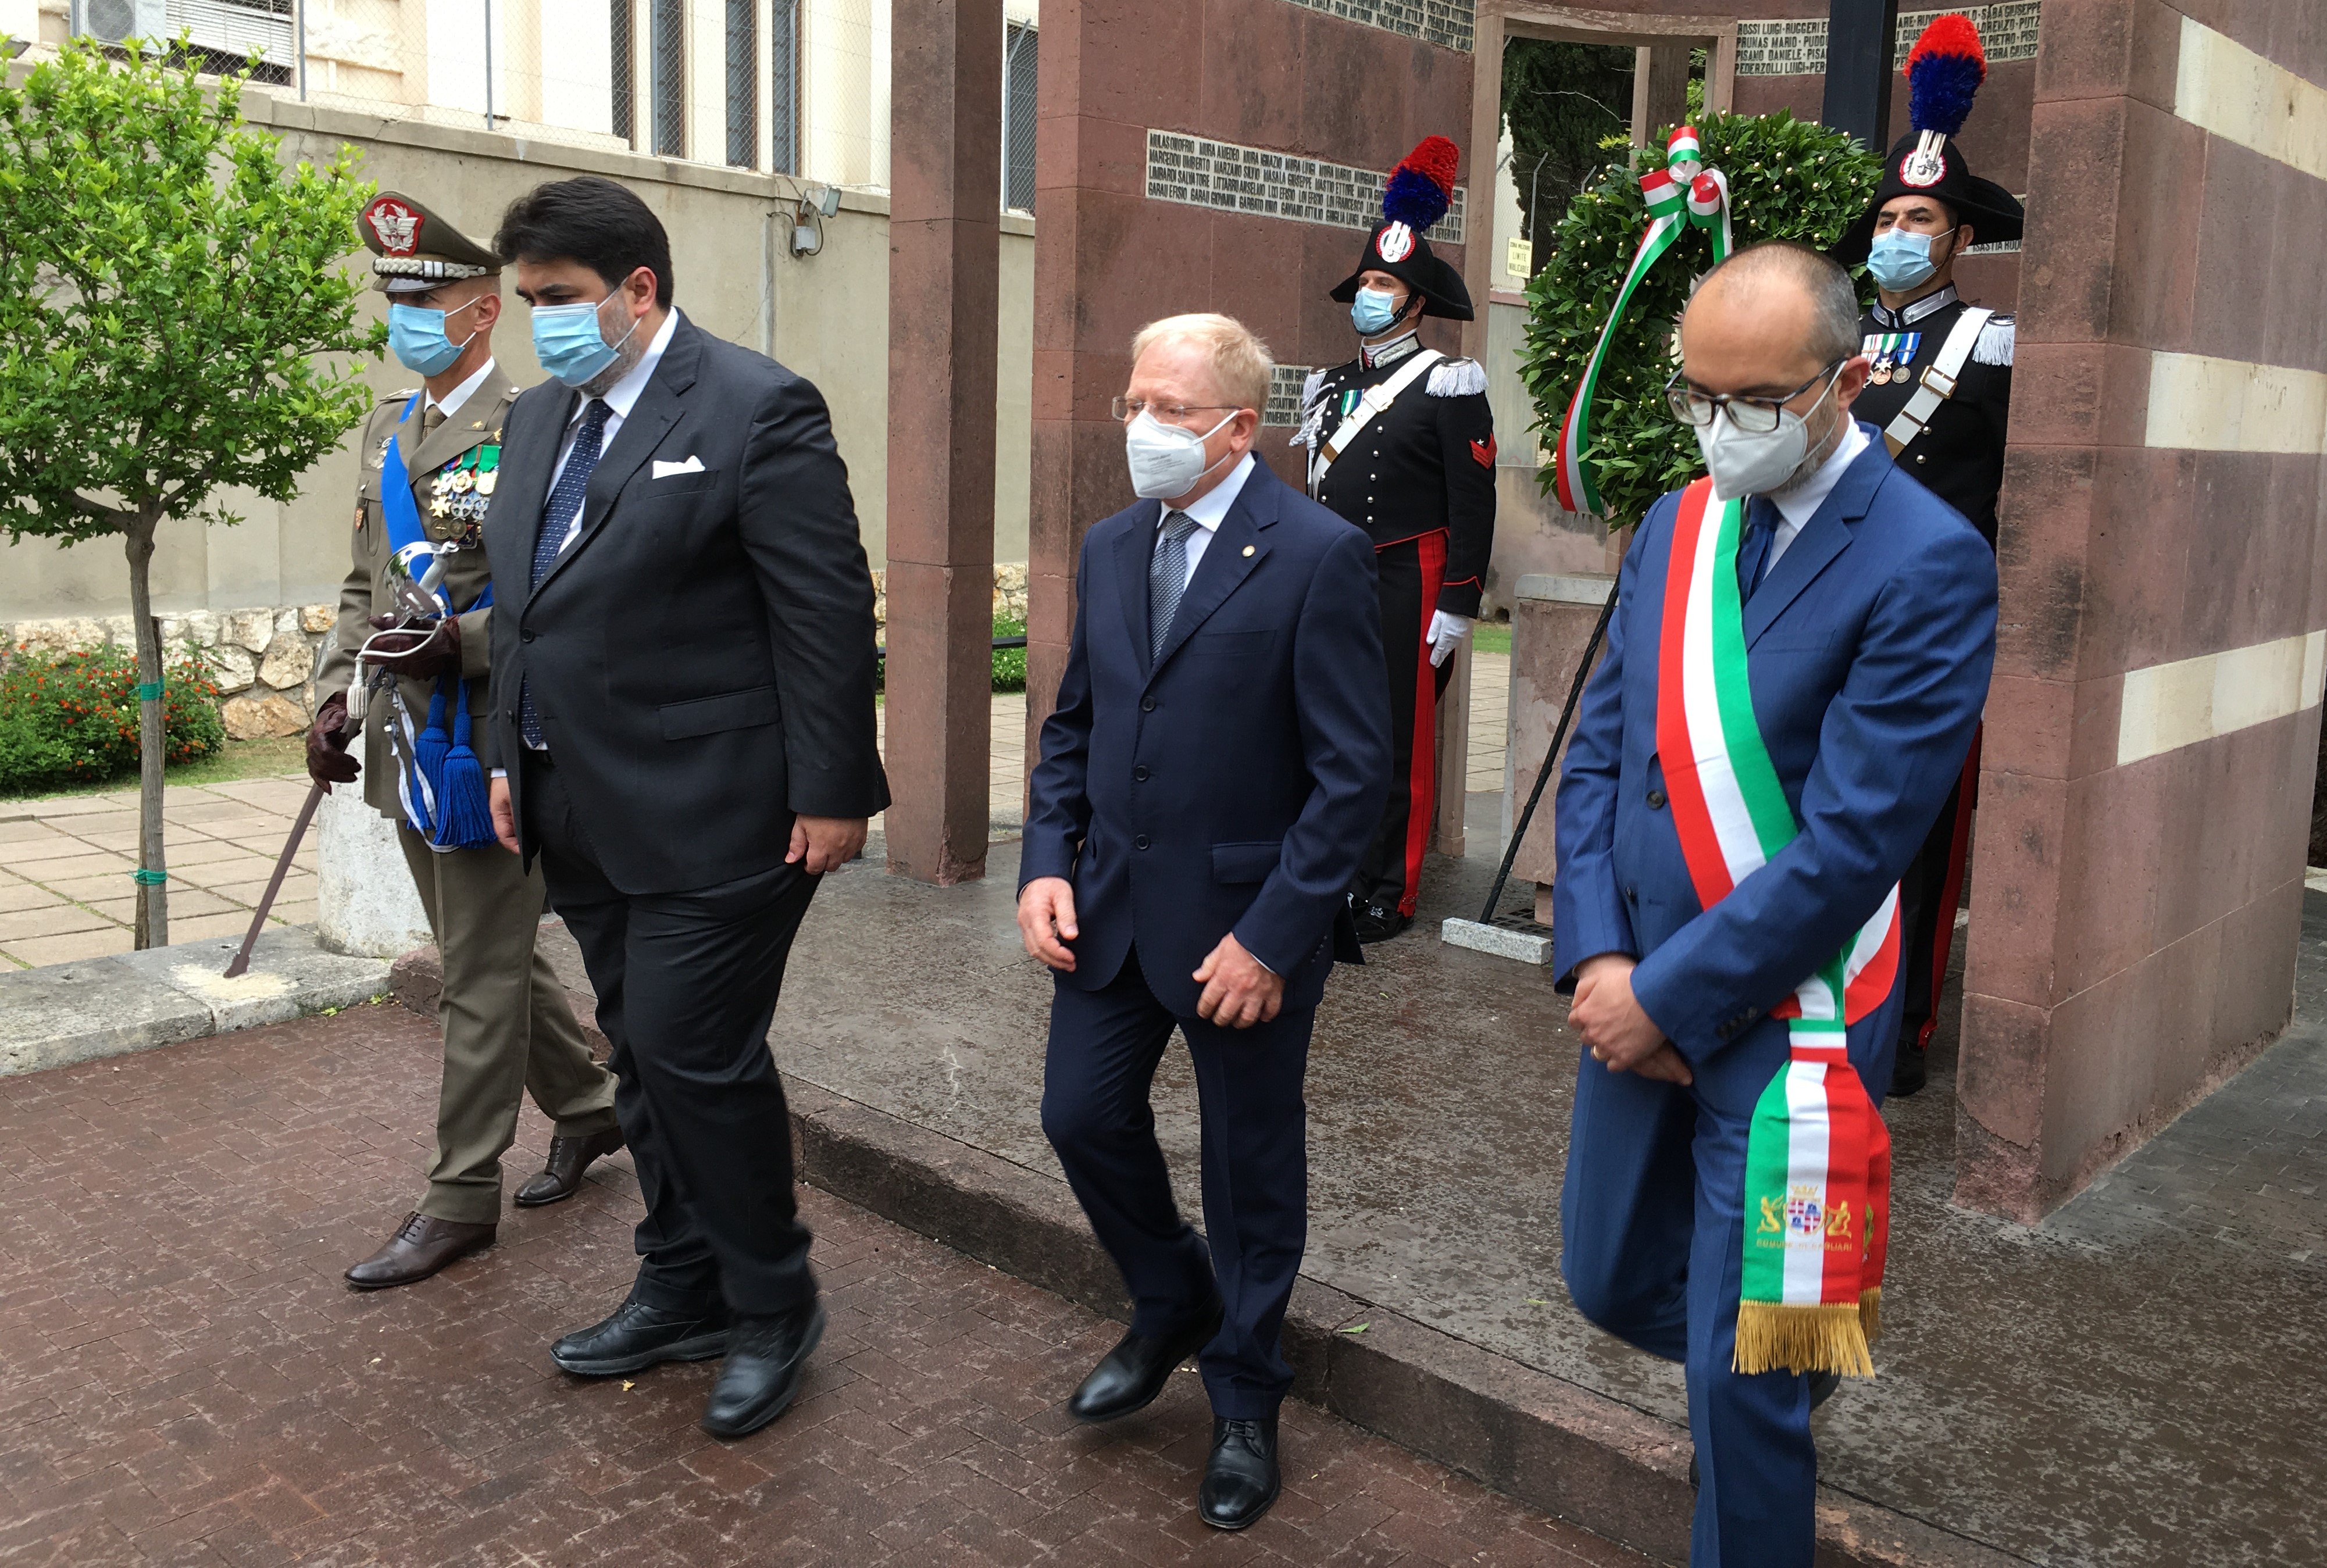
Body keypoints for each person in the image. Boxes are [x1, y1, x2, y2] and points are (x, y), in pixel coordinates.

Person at [1551, 242, 1996, 1566]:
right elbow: (1600, 748)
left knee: (1747, 1374)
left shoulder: (1929, 560)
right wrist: (1597, 957)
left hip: (1793, 1027)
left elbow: (1857, 843)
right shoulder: (1682, 525)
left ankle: (1755, 1438)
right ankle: (1766, 1377)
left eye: (1753, 399)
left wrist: (1672, 994)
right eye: (1696, 395)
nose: (1717, 426)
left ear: (1845, 382)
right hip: (1630, 995)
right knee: (1608, 1273)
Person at [479, 176, 888, 1440]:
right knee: (643, 1053)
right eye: (524, 300)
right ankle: (681, 1281)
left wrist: (834, 791)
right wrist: (509, 754)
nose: (535, 321)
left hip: (729, 809)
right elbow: (526, 606)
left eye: (558, 299)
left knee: (691, 1050)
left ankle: (775, 1302)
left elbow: (823, 614)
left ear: (639, 290)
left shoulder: (757, 406)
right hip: (579, 803)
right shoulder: (546, 416)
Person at [1021, 313, 1390, 1530]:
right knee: (1077, 1111)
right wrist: (1042, 863)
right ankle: (1173, 1295)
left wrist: (1275, 933)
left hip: (1246, 931)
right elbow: (1073, 724)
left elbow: (1354, 777)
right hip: (1116, 907)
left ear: (1240, 428)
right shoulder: (1112, 543)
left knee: (1248, 1170)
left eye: (1169, 411)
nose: (1140, 429)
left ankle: (1245, 1394)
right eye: (1133, 403)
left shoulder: (1319, 554)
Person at [312, 191, 623, 1292]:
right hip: (406, 738)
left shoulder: (543, 425)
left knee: (478, 972)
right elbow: (365, 585)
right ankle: (591, 1107)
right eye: (396, 299)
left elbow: (561, 600)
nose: (406, 317)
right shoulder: (388, 426)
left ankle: (458, 1200)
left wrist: (467, 645)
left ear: (482, 312)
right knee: (487, 951)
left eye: (427, 298)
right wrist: (333, 695)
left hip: (488, 739)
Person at [1831, 13, 2022, 1095]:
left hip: (1929, 623)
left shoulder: (1989, 346)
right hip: (1824, 610)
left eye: (1922, 218)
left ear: (1956, 238)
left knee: (1915, 825)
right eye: (1892, 216)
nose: (1901, 231)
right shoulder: (1835, 338)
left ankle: (1898, 1026)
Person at [1295, 136, 1495, 943]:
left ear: (1416, 304)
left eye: (1385, 285)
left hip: (1408, 577)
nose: (1370, 295)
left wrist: (1458, 602)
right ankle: (1334, 872)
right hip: (1330, 578)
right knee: (1329, 732)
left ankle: (1389, 887)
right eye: (1366, 282)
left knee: (1398, 743)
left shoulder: (1448, 382)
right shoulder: (1332, 385)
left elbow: (1471, 501)